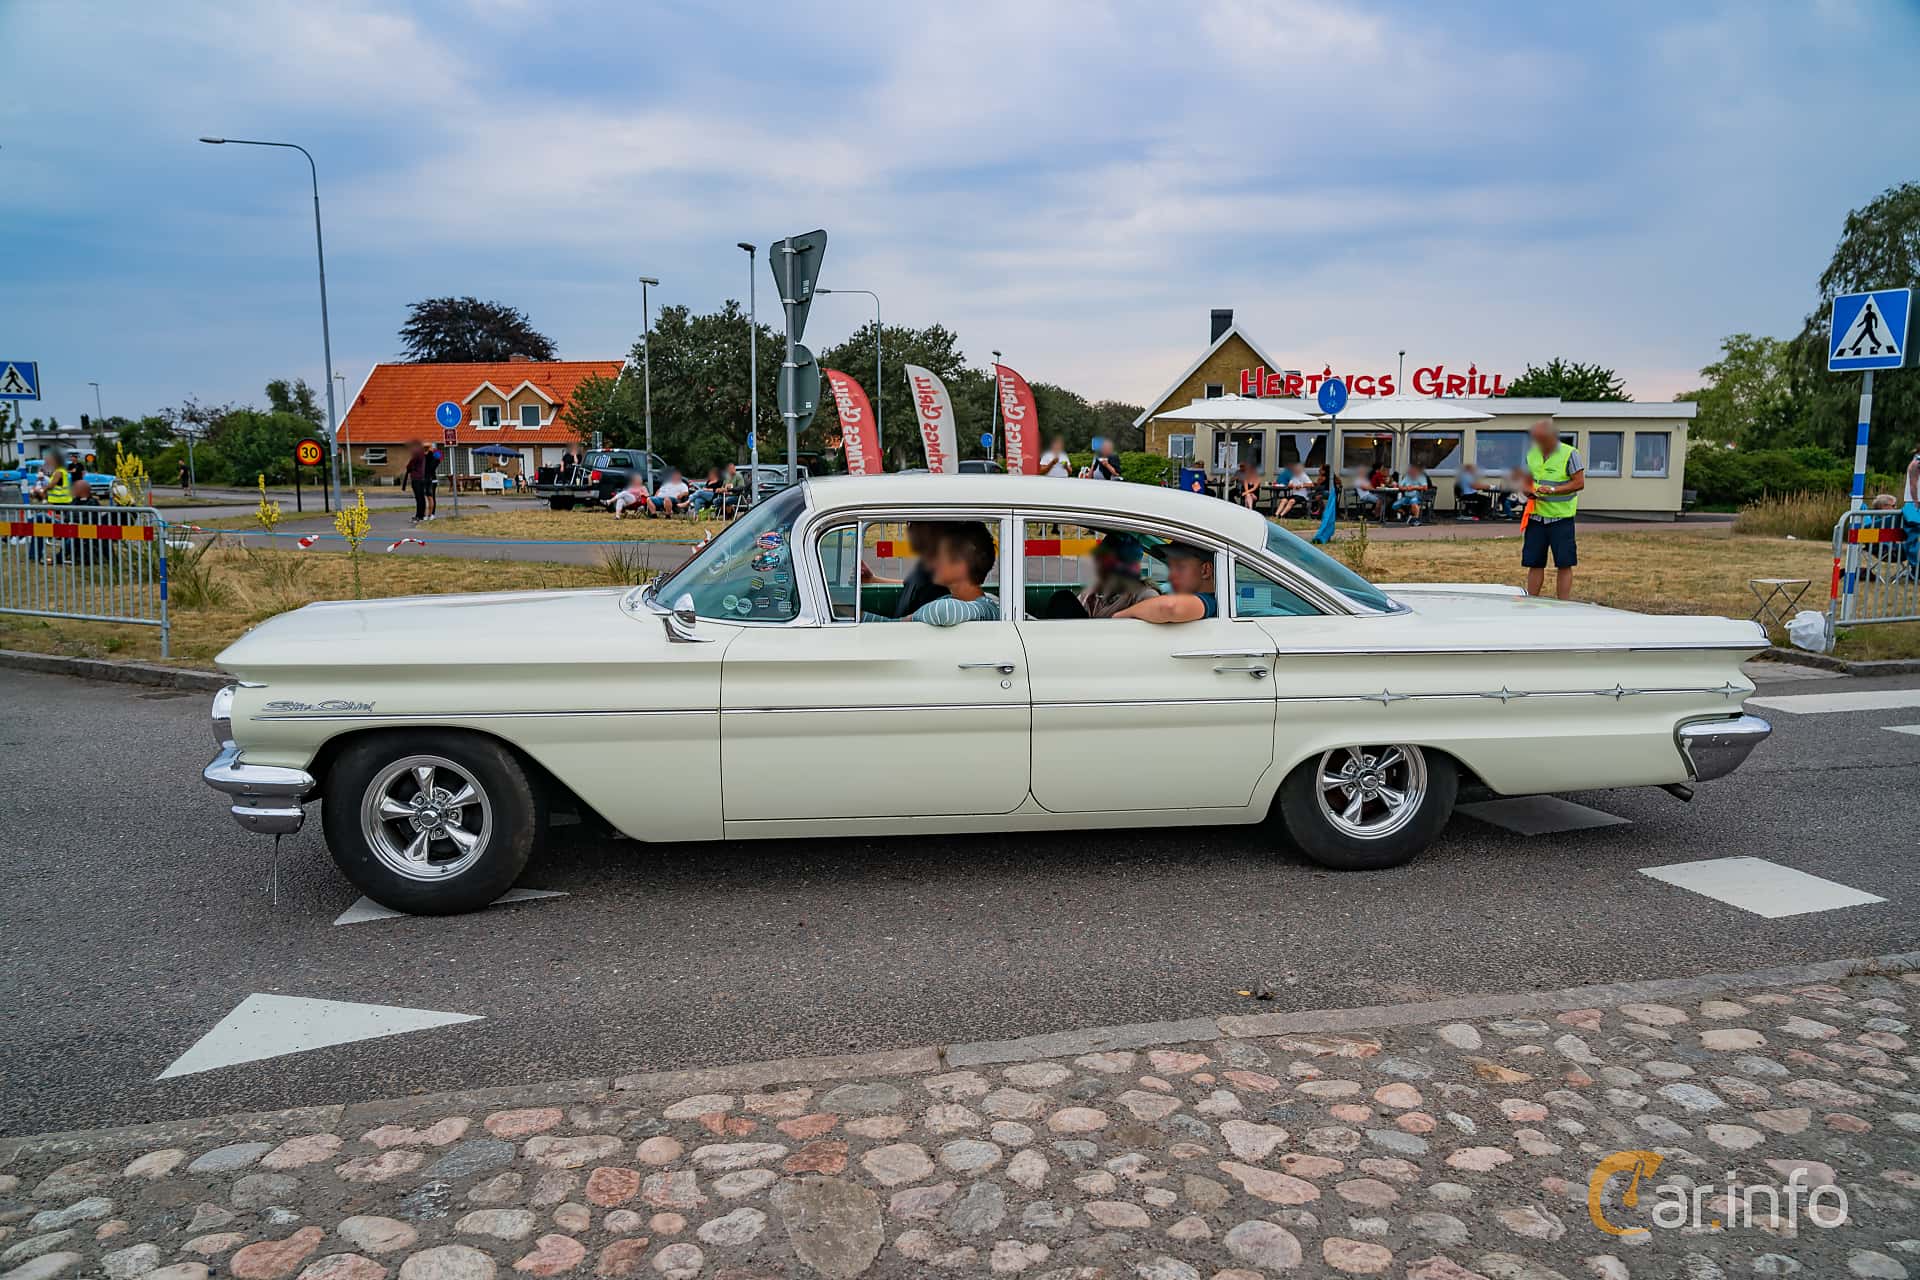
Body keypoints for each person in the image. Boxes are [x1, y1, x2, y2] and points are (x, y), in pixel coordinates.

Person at [863, 523, 999, 626]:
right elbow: (896, 625)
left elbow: (944, 611)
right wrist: (858, 616)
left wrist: (913, 618)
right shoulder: (947, 598)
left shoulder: (987, 608)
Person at [1521, 420, 1585, 600]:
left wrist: (1553, 490)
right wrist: (1527, 491)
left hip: (1561, 518)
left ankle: (1563, 603)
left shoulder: (1570, 453)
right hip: (1536, 516)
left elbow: (1579, 483)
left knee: (1564, 563)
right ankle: (1531, 601)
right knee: (1534, 562)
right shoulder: (1532, 454)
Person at [1117, 543, 1217, 623]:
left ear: (1205, 570)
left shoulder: (1211, 602)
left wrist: (1118, 617)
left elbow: (1169, 607)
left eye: (1180, 567)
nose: (1170, 576)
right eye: (1170, 567)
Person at [403, 441, 430, 525]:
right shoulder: (422, 455)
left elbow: (409, 466)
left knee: (419, 498)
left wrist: (409, 468)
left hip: (416, 478)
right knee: (421, 497)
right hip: (421, 478)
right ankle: (422, 515)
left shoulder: (417, 455)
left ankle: (419, 516)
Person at [423, 445, 442, 520]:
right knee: (429, 497)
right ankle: (429, 514)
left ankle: (431, 514)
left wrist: (433, 450)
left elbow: (439, 456)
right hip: (428, 478)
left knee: (431, 497)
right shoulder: (429, 457)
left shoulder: (433, 457)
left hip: (431, 479)